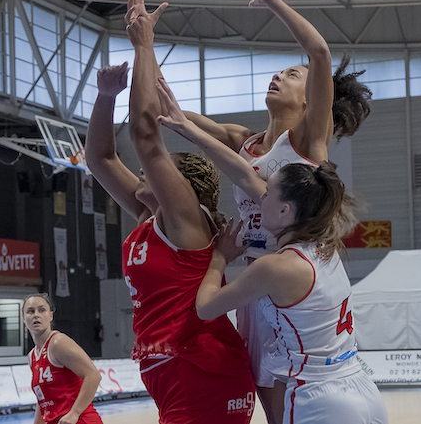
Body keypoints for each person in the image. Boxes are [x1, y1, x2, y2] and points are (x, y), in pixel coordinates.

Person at [181, 0, 372, 424]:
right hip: (256, 276)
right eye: (279, 71)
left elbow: (320, 54)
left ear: (312, 98)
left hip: (296, 275)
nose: (278, 75)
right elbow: (175, 115)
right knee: (267, 396)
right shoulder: (241, 139)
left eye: (291, 73)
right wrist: (146, 67)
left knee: (293, 388)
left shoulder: (309, 137)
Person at [155, 81, 388, 424]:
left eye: (268, 194)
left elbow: (205, 308)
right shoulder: (327, 246)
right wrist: (187, 127)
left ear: (285, 211)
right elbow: (242, 173)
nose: (259, 195)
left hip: (316, 395)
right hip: (360, 387)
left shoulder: (276, 268)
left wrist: (220, 257)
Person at [84, 0, 255, 424]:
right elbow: (100, 159)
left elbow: (146, 137)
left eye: (153, 173)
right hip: (171, 373)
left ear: (179, 187)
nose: (142, 175)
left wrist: (144, 45)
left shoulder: (186, 223)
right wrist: (105, 99)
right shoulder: (150, 217)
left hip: (204, 369)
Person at [22, 293, 103, 424]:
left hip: (80, 420)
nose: (36, 314)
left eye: (41, 310)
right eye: (30, 311)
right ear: (24, 319)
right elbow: (42, 399)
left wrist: (74, 413)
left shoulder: (58, 343)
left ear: (50, 316)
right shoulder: (32, 356)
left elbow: (93, 375)